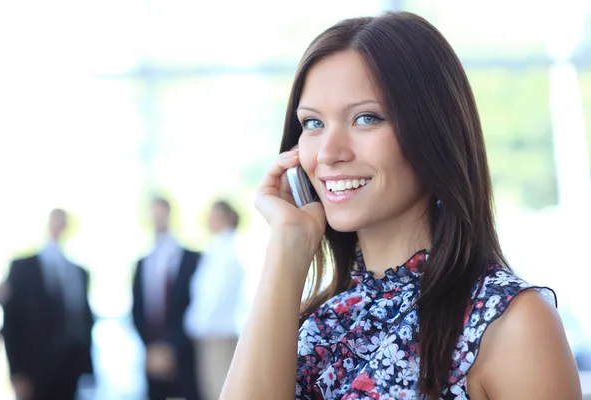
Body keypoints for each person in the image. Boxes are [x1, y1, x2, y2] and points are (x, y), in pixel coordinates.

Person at [221, 11, 582, 400]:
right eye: (312, 123)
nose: (328, 153)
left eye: (365, 118)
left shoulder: (510, 322)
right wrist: (288, 245)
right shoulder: (310, 320)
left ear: (433, 132)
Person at [3, 208, 94, 400]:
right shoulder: (23, 268)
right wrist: (17, 372)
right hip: (36, 369)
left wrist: (87, 367)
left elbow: (83, 318)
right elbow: (12, 323)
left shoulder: (78, 271)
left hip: (71, 367)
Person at [132, 196, 202, 400]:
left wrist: (171, 347)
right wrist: (150, 347)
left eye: (160, 212)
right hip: (152, 351)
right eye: (153, 213)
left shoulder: (192, 259)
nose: (157, 218)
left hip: (184, 350)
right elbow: (137, 309)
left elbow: (195, 305)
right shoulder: (143, 262)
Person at [184, 200, 245, 400]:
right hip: (212, 331)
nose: (210, 220)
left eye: (215, 215)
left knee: (218, 389)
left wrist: (195, 324)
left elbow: (213, 295)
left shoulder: (226, 251)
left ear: (228, 218)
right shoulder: (217, 248)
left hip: (217, 332)